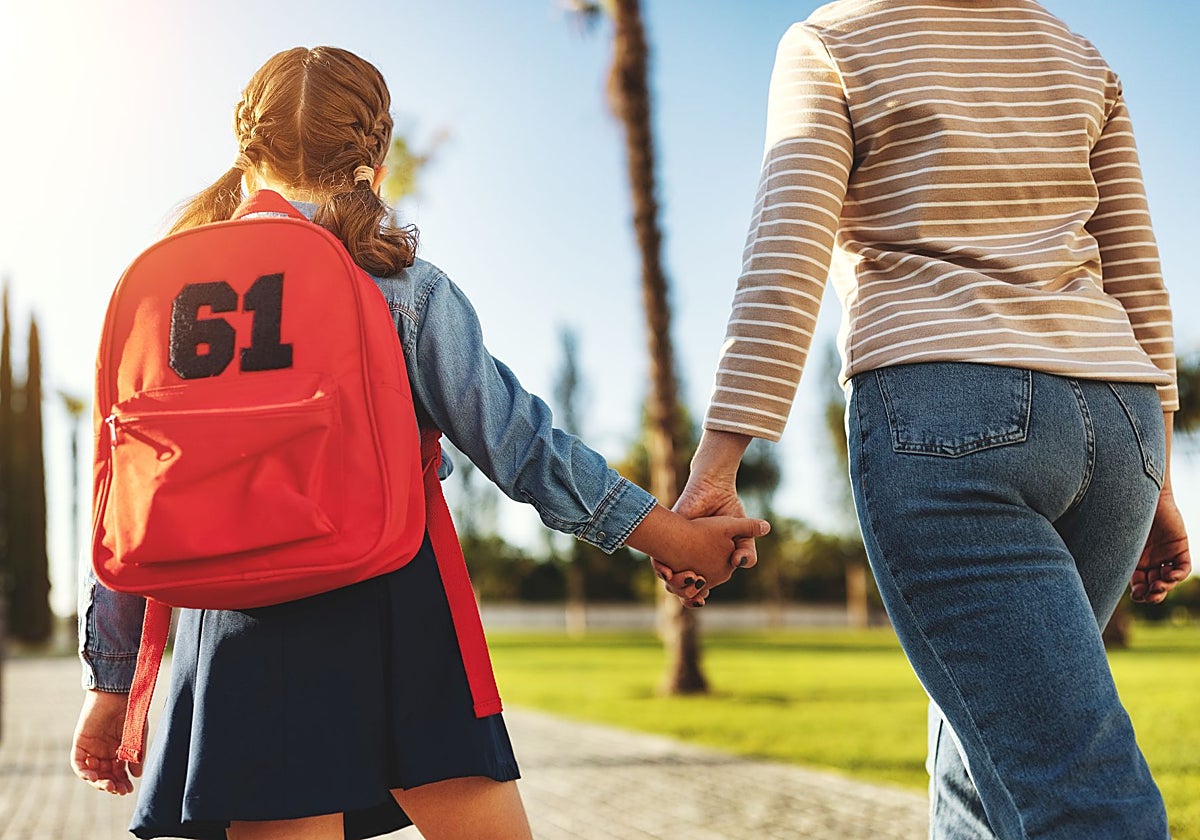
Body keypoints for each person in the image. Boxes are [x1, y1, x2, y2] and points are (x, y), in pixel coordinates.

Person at [71, 46, 767, 840]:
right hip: (390, 602)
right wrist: (673, 534)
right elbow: (521, 445)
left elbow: (130, 501)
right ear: (374, 154)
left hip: (231, 629)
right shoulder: (404, 288)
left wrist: (112, 685)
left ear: (246, 151)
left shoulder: (171, 298)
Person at [667, 2, 1192, 838]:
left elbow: (786, 250)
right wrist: (1158, 477)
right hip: (1116, 421)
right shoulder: (1076, 53)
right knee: (985, 751)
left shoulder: (833, 39)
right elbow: (1137, 270)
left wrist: (717, 462)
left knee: (1076, 787)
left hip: (949, 421)